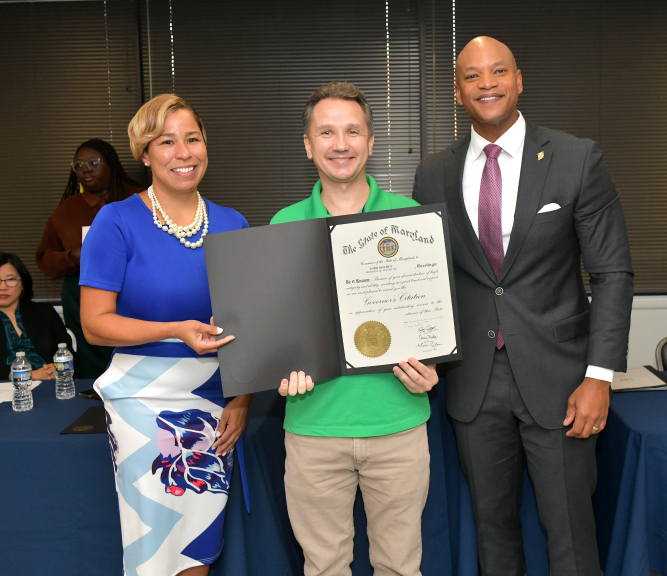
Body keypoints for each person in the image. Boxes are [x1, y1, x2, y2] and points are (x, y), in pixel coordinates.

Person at [412, 37, 634, 576]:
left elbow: (611, 273)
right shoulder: (432, 174)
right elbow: (423, 280)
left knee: (571, 537)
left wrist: (599, 376)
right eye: (472, 76)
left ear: (518, 80)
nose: (486, 83)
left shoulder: (576, 158)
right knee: (493, 536)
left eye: (498, 72)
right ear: (457, 93)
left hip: (562, 382)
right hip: (471, 382)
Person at [270, 81, 439, 576]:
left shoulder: (412, 219)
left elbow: (432, 319)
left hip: (399, 426)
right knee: (323, 568)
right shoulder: (281, 226)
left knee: (400, 566)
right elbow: (278, 332)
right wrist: (278, 369)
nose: (339, 144)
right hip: (313, 427)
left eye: (352, 131)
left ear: (369, 141)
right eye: (326, 132)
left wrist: (433, 367)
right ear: (308, 144)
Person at [79, 94, 251, 576]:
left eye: (192, 138)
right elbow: (94, 324)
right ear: (145, 153)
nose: (183, 152)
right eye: (167, 141)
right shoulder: (117, 222)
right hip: (141, 403)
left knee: (199, 546)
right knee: (154, 551)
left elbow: (251, 326)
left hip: (214, 403)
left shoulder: (233, 223)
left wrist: (241, 400)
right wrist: (175, 330)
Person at [36, 139, 143, 379]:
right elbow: (45, 258)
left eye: (94, 162)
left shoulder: (139, 199)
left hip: (135, 287)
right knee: (91, 351)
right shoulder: (67, 210)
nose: (85, 169)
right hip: (81, 291)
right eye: (78, 165)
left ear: (111, 165)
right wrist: (72, 255)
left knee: (137, 346)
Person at [0, 252, 73, 380]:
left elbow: (68, 352)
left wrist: (57, 369)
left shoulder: (44, 312)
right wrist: (30, 375)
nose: (3, 287)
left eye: (10, 279)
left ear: (23, 284)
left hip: (51, 383)